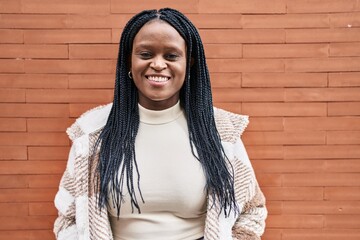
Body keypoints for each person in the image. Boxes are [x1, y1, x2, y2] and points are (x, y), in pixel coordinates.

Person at [53, 8, 267, 240]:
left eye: (171, 56)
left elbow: (252, 210)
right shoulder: (93, 134)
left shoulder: (220, 132)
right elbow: (69, 217)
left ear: (189, 64)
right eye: (145, 54)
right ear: (129, 60)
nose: (158, 64)